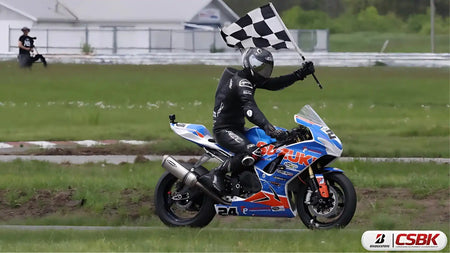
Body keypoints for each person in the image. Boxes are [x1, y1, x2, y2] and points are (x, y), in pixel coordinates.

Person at [211, 47, 315, 193]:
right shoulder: (241, 82)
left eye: (266, 68)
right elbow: (250, 109)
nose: (264, 72)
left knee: (275, 145)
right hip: (225, 129)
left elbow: (275, 84)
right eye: (260, 67)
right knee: (253, 152)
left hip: (238, 128)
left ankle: (253, 182)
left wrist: (299, 74)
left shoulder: (251, 78)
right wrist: (268, 127)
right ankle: (218, 172)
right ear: (250, 65)